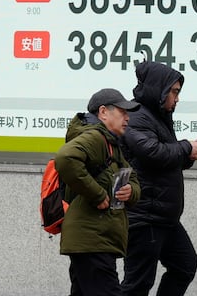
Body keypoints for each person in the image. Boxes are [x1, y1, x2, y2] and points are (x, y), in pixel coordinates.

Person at [120, 61, 197, 296]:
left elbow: (165, 159)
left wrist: (189, 154)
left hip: (163, 217)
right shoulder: (137, 117)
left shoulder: (158, 117)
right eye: (174, 92)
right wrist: (184, 148)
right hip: (145, 217)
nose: (177, 98)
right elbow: (152, 152)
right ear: (159, 90)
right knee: (137, 284)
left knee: (185, 265)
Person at [55, 88, 142, 296]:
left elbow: (133, 180)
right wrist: (98, 195)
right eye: (123, 112)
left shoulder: (112, 145)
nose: (127, 118)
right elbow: (65, 159)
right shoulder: (95, 138)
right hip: (93, 240)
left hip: (94, 240)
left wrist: (131, 192)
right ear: (103, 112)